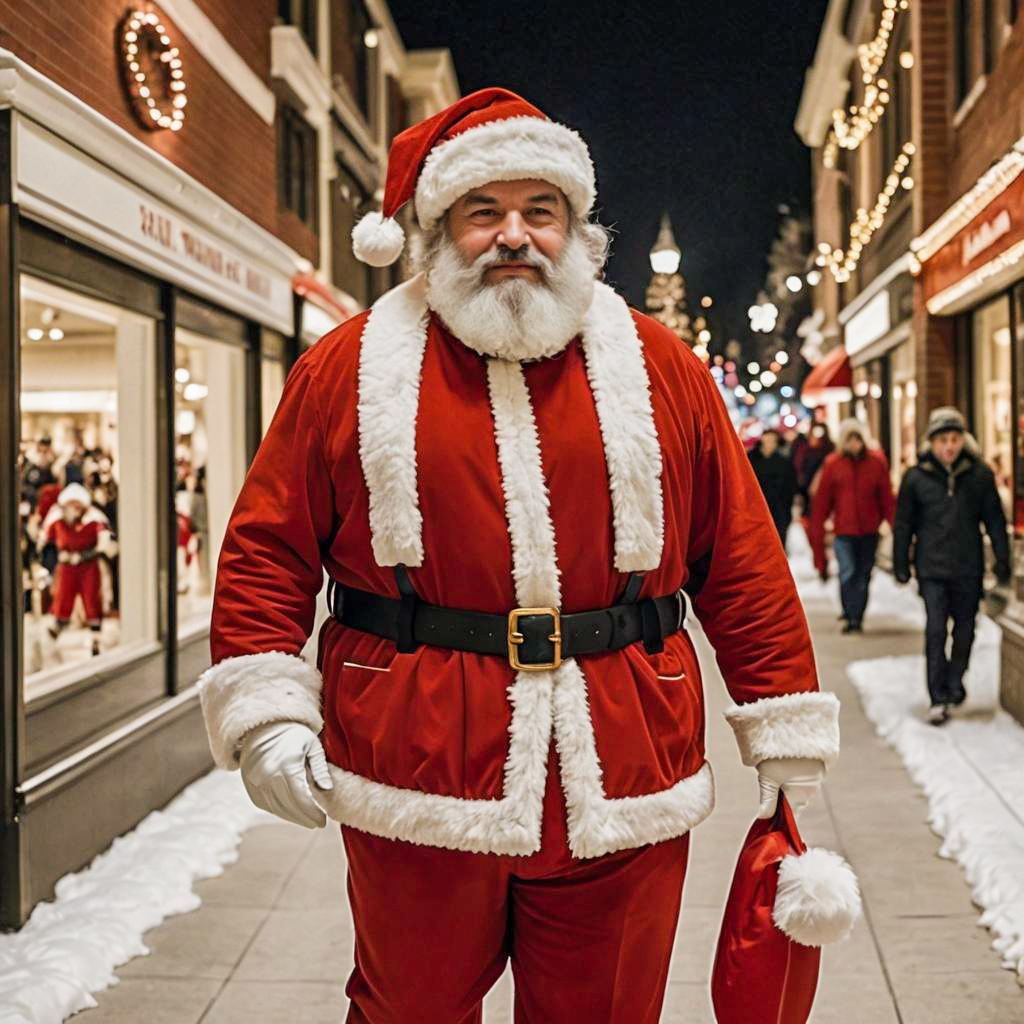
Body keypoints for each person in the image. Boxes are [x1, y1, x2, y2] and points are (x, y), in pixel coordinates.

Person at [197, 88, 840, 1023]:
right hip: (413, 772)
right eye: (481, 212)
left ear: (577, 230)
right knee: (406, 1009)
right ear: (432, 232)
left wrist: (780, 726)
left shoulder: (662, 370)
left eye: (540, 211)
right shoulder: (346, 369)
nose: (514, 235)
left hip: (625, 765)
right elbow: (268, 548)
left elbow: (739, 559)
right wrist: (264, 713)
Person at [892, 407, 1010, 725]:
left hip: (968, 567)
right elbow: (904, 523)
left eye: (954, 439)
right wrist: (901, 562)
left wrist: (1003, 561)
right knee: (934, 631)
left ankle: (955, 679)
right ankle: (937, 696)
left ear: (963, 441)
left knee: (965, 630)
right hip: (931, 568)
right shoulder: (916, 477)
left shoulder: (980, 475)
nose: (949, 446)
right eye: (943, 439)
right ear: (931, 441)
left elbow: (995, 521)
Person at [811, 418, 894, 633]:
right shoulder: (833, 464)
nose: (854, 444)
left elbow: (886, 498)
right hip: (844, 531)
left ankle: (857, 614)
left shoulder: (876, 463)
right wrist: (818, 535)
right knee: (848, 572)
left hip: (869, 530)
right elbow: (822, 502)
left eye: (857, 438)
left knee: (864, 574)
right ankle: (851, 615)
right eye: (850, 439)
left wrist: (895, 527)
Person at [748, 427, 799, 546]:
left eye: (773, 440)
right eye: (767, 440)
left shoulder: (784, 462)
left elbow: (791, 487)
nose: (769, 443)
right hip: (756, 511)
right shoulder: (751, 460)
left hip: (779, 511)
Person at [793, 421, 834, 518]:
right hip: (808, 491)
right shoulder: (805, 450)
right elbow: (799, 467)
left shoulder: (829, 449)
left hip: (825, 487)